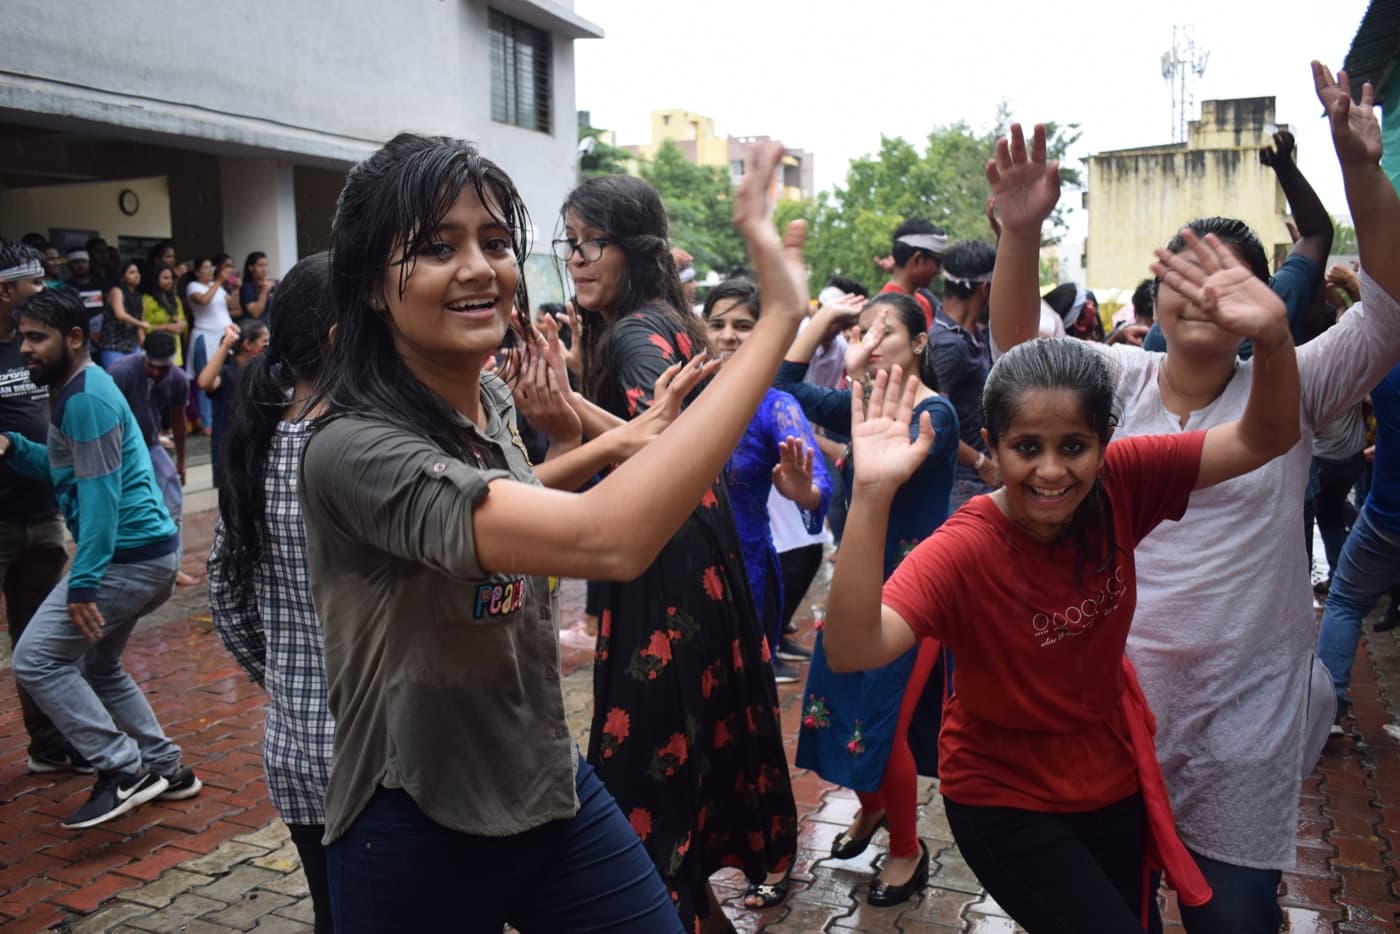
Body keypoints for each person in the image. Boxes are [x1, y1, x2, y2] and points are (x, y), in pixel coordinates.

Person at [298, 133, 808, 933]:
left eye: (495, 242)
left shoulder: (491, 403)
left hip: (545, 778)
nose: (478, 268)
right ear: (369, 285)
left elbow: (524, 498)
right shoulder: (353, 450)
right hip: (414, 813)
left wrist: (613, 437)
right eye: (437, 247)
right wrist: (781, 318)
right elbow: (605, 540)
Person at [986, 63, 1400, 930]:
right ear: (1157, 292)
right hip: (1113, 698)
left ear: (1265, 301)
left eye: (1233, 277)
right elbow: (1021, 351)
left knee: (1233, 913)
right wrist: (1020, 237)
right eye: (1187, 271)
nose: (1207, 290)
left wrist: (1362, 173)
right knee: (1120, 904)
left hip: (1247, 709)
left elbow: (1391, 315)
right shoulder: (1113, 378)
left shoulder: (1290, 385)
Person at [558, 170, 799, 931]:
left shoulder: (633, 333)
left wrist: (562, 407)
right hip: (698, 560)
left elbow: (652, 452)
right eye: (570, 245)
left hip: (666, 571)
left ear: (630, 248)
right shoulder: (666, 318)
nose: (578, 259)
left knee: (650, 787)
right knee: (686, 763)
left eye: (592, 243)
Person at [777, 290, 958, 906]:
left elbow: (891, 473)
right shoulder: (859, 400)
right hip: (856, 583)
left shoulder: (936, 415)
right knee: (838, 712)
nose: (871, 345)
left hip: (914, 595)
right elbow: (784, 385)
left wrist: (853, 380)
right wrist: (824, 322)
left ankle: (908, 851)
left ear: (920, 344)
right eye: (863, 333)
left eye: (886, 334)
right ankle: (874, 808)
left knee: (883, 728)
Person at [3, 288, 201, 830]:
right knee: (100, 667)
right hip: (145, 557)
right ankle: (168, 770)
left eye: (37, 338)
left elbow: (99, 499)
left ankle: (122, 769)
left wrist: (84, 582)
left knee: (36, 660)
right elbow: (68, 469)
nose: (24, 349)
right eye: (22, 336)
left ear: (75, 338)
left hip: (126, 561)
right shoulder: (76, 389)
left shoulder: (85, 397)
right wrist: (15, 449)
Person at [208, 253, 337, 934]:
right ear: (346, 337)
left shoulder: (261, 441)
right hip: (382, 769)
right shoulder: (364, 455)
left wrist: (288, 677)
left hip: (296, 753)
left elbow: (226, 596)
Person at [702, 276, 831, 691]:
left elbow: (819, 486)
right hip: (679, 570)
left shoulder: (776, 406)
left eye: (742, 325)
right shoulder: (681, 393)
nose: (728, 336)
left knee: (739, 695)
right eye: (717, 324)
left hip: (745, 571)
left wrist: (803, 492)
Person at [0, 242, 86, 774]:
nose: (44, 291)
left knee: (38, 639)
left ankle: (49, 746)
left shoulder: (35, 346)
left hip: (42, 517)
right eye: (34, 285)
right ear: (5, 291)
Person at [1142, 127, 1332, 356]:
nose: (1206, 298)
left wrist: (1285, 168)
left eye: (1229, 282)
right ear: (1156, 306)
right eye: (1186, 280)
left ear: (1265, 294)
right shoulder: (1147, 358)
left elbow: (1316, 235)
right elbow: (1316, 235)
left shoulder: (1278, 309)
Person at [931, 239, 999, 508]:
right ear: (985, 289)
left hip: (977, 479)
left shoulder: (974, 334)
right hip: (960, 483)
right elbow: (930, 420)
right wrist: (981, 463)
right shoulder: (947, 344)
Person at [106, 332, 189, 546]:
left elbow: (179, 421)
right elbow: (104, 417)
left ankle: (172, 558)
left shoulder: (178, 379)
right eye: (151, 365)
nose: (155, 371)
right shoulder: (120, 372)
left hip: (150, 444)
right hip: (117, 448)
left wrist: (180, 461)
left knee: (172, 494)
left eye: (162, 368)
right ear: (144, 355)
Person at [197, 318, 269, 489]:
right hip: (230, 452)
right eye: (264, 342)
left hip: (258, 450)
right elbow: (205, 382)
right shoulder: (227, 373)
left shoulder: (264, 372)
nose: (268, 346)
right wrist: (225, 346)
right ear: (248, 345)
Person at [880, 218, 945, 329]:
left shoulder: (923, 302)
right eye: (937, 262)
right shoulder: (886, 308)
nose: (939, 271)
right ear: (918, 259)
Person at [99, 260, 149, 368]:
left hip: (132, 346)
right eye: (131, 272)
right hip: (113, 347)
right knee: (117, 380)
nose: (136, 275)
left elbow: (140, 330)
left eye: (137, 272)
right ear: (122, 277)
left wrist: (145, 349)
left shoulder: (139, 297)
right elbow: (120, 315)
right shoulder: (116, 291)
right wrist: (140, 324)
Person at [142, 264, 188, 367]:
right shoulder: (147, 300)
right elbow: (144, 327)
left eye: (171, 278)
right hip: (156, 348)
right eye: (165, 278)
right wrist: (167, 327)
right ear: (155, 279)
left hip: (175, 347)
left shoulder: (175, 299)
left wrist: (181, 325)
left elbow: (183, 320)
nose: (169, 281)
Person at [239, 251, 276, 322]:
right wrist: (264, 291)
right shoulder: (247, 287)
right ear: (251, 267)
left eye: (266, 265)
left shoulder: (272, 283)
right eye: (260, 265)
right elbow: (255, 313)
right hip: (257, 327)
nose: (264, 269)